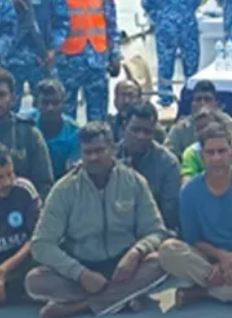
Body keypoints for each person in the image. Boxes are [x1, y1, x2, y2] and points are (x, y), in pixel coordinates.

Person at [26, 122, 169, 318]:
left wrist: (136, 252)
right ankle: (122, 299)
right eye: (88, 152)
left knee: (161, 261)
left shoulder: (134, 182)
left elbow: (157, 231)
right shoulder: (64, 189)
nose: (93, 157)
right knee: (34, 281)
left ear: (113, 149)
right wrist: (80, 273)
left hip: (124, 267)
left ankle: (81, 306)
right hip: (81, 267)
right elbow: (41, 244)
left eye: (100, 150)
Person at [159, 123, 232, 308]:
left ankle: (200, 293)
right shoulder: (189, 191)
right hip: (205, 260)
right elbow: (193, 239)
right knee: (168, 250)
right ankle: (231, 291)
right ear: (202, 157)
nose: (217, 158)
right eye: (210, 152)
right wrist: (221, 256)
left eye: (222, 151)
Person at [54, 0, 121, 122]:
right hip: (66, 60)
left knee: (98, 117)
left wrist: (114, 54)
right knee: (65, 117)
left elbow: (110, 20)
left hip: (96, 60)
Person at [116, 103, 181, 230]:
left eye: (147, 132)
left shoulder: (168, 163)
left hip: (154, 230)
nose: (141, 136)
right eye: (135, 130)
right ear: (124, 127)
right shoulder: (109, 158)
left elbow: (169, 215)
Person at [0, 69, 53, 199]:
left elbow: (45, 184)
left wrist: (32, 206)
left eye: (1, 95)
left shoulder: (29, 133)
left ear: (13, 98)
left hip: (20, 207)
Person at [0, 145, 40, 305]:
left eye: (10, 174)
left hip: (23, 259)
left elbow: (37, 236)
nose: (7, 182)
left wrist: (4, 269)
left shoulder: (24, 190)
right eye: (0, 177)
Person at [24, 79, 80, 181]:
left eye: (55, 103)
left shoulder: (75, 133)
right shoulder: (24, 124)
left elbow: (73, 171)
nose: (50, 108)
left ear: (64, 104)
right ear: (36, 104)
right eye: (45, 103)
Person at [181, 108, 232, 181]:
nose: (204, 131)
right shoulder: (192, 153)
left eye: (222, 151)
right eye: (199, 128)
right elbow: (187, 182)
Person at [165, 80, 219, 159]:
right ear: (192, 104)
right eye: (198, 99)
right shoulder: (180, 128)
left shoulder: (226, 124)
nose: (202, 103)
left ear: (216, 103)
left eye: (207, 99)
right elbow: (168, 154)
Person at [107, 80, 166, 144]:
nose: (127, 101)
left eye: (131, 96)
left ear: (139, 99)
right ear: (115, 99)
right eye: (123, 95)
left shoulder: (153, 128)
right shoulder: (109, 126)